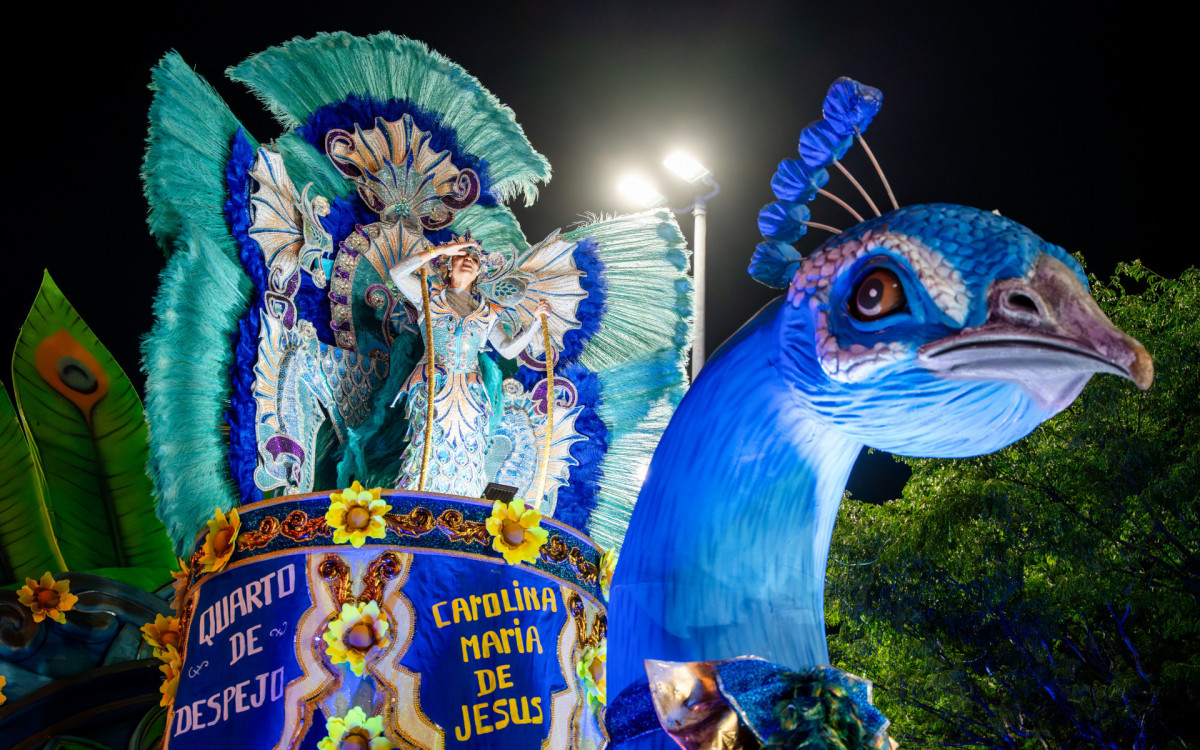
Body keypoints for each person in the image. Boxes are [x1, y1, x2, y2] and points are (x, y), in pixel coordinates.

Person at [387, 239, 551, 496]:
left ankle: (461, 505)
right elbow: (396, 273)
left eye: (474, 260)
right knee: (425, 448)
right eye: (462, 256)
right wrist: (438, 251)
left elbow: (507, 349)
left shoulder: (489, 312)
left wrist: (536, 324)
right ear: (449, 266)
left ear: (478, 273)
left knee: (469, 452)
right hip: (432, 385)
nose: (468, 260)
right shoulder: (428, 295)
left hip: (470, 395)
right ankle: (412, 502)